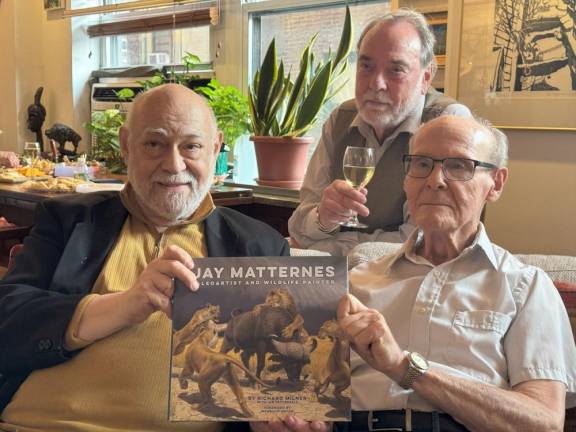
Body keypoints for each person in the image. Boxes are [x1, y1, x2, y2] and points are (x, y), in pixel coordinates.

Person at [0, 84, 299, 431]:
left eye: (191, 146)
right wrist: (125, 305)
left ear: (215, 147)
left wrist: (269, 421)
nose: (174, 165)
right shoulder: (68, 220)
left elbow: (270, 370)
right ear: (127, 146)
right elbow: (7, 321)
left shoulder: (261, 246)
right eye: (155, 144)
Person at [337, 115, 576, 431]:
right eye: (422, 164)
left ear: (496, 183)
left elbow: (543, 423)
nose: (435, 180)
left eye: (459, 166)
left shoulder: (525, 286)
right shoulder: (356, 283)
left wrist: (405, 368)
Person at [288, 9, 471, 256]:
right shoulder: (340, 118)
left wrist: (330, 245)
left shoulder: (447, 124)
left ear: (425, 78)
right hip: (342, 277)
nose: (376, 83)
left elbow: (422, 241)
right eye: (366, 66)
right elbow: (300, 226)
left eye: (396, 70)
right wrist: (324, 218)